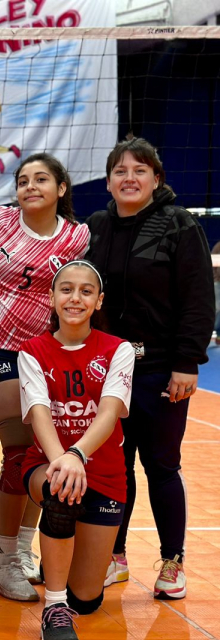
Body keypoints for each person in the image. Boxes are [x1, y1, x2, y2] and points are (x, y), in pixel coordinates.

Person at [86, 138, 214, 600]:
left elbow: (198, 299)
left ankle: (172, 561)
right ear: (108, 181)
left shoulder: (179, 224)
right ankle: (114, 557)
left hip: (160, 368)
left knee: (161, 465)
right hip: (107, 370)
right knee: (113, 467)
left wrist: (186, 362)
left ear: (156, 178)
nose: (129, 178)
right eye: (120, 170)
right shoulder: (97, 227)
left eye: (140, 170)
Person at [0, 153, 90, 601]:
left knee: (41, 454)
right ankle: (5, 561)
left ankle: (20, 552)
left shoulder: (78, 236)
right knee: (20, 451)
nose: (30, 186)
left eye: (41, 179)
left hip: (50, 355)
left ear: (61, 188)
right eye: (22, 180)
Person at [18, 260, 134, 639]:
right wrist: (62, 461)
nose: (75, 298)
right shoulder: (32, 350)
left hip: (103, 472)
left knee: (86, 598)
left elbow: (110, 411)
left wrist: (77, 454)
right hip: (48, 467)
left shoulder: (118, 350)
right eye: (66, 289)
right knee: (60, 494)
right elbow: (39, 414)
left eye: (86, 291)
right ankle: (54, 607)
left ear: (99, 301)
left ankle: (62, 575)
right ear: (52, 298)